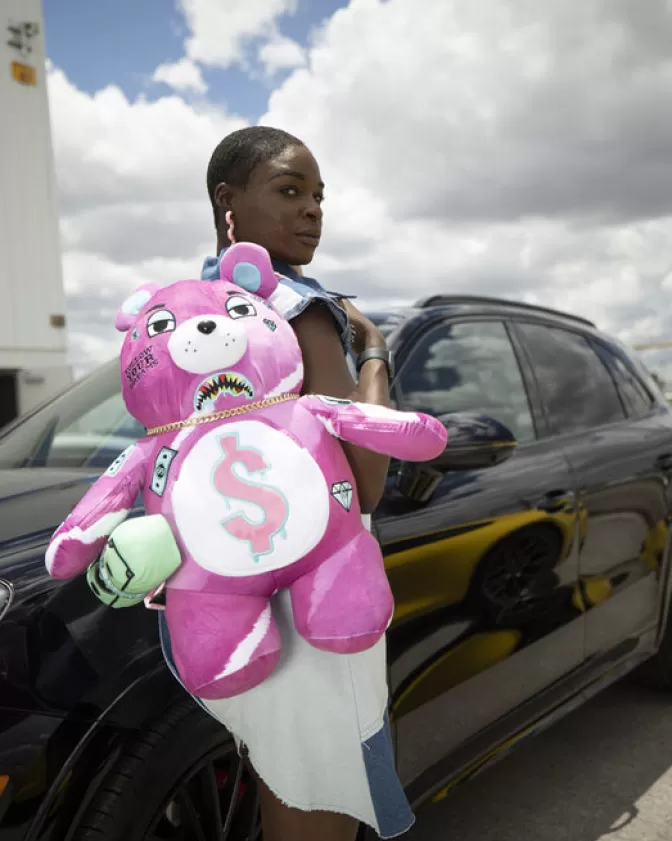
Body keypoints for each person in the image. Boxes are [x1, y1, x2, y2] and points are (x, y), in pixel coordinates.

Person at [100, 126, 415, 841]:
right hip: (315, 592)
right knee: (317, 799)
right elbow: (364, 478)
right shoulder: (300, 310)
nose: (313, 211)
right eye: (290, 189)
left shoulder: (187, 312)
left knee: (279, 781)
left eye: (318, 196)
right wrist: (373, 347)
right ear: (228, 201)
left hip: (216, 597)